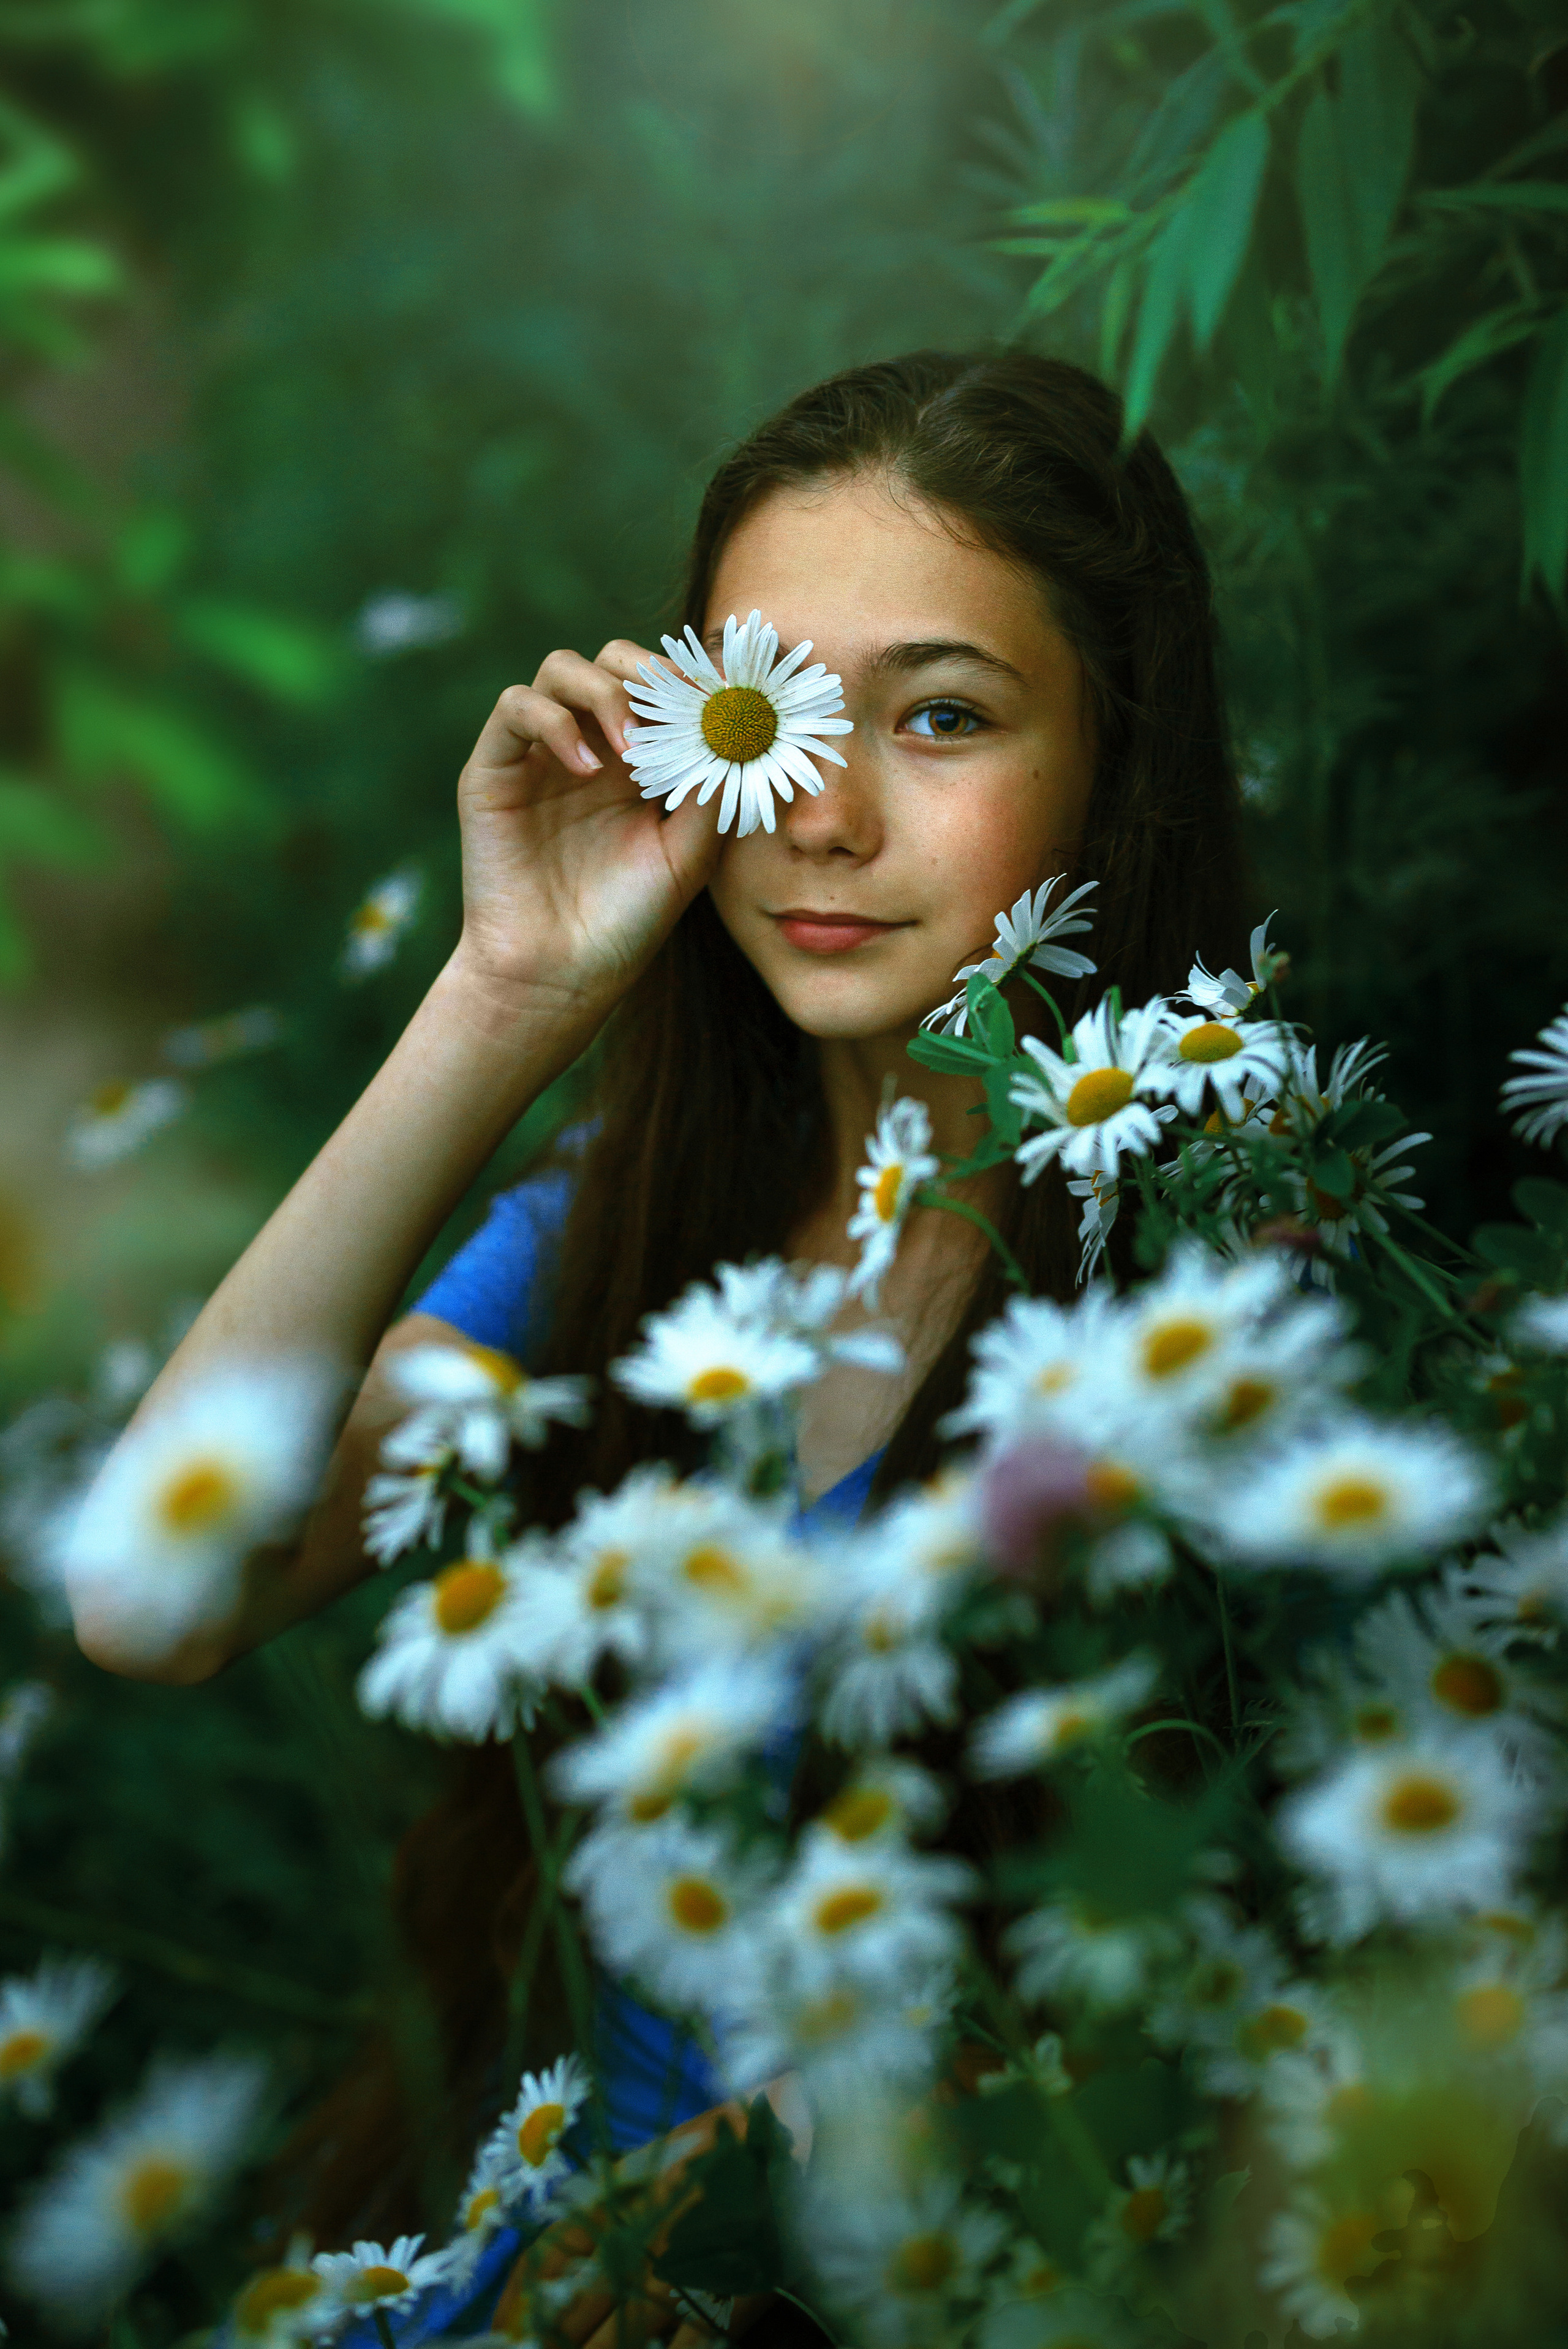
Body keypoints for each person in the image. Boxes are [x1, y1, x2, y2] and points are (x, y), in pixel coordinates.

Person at [67, 349, 1247, 2337]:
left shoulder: (1228, 1296)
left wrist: (774, 2165)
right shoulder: (612, 1249)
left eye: (940, 715)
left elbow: (1239, 1938)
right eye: (764, 726)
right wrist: (507, 986)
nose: (826, 814)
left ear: (1118, 764)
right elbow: (151, 1593)